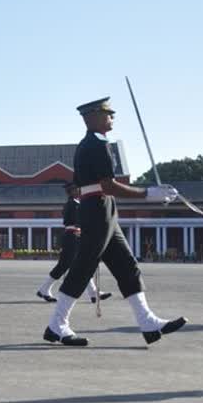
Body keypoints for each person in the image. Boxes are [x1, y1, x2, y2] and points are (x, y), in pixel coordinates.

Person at [44, 97, 187, 346]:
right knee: (84, 266)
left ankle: (147, 321)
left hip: (102, 208)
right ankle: (57, 325)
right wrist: (147, 194)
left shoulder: (86, 145)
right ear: (92, 117)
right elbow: (108, 185)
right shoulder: (97, 145)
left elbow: (81, 184)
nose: (112, 117)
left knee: (125, 264)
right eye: (107, 113)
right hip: (98, 208)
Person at [36, 183, 111, 303]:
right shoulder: (74, 204)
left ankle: (93, 292)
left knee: (81, 265)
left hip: (74, 236)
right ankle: (44, 289)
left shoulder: (73, 204)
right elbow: (80, 222)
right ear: (73, 191)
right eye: (77, 190)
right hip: (73, 236)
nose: (80, 191)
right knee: (64, 265)